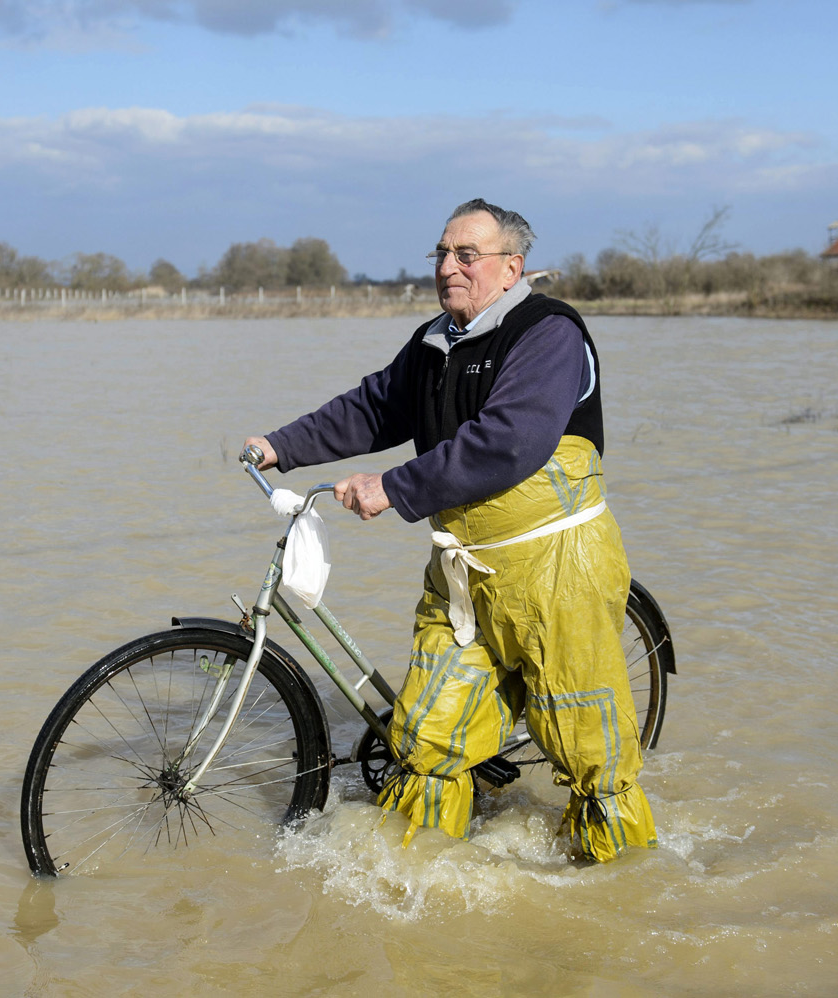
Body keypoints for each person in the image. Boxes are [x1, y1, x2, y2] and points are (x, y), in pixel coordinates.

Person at [244, 199, 656, 862]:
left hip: (558, 569)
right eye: (440, 254)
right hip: (465, 571)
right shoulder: (437, 342)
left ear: (510, 266)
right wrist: (279, 446)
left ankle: (624, 888)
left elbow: (508, 442)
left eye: (466, 255)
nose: (447, 267)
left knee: (589, 753)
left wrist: (393, 486)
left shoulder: (548, 333)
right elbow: (373, 407)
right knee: (426, 737)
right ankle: (419, 885)